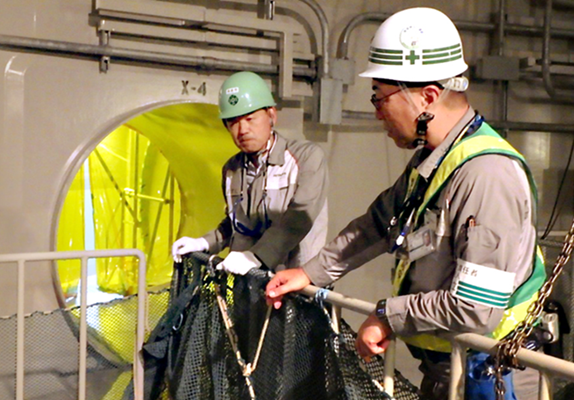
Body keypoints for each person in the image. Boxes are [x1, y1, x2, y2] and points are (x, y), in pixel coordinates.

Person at [265, 7, 546, 400]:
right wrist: (311, 273)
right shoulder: (434, 161)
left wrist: (388, 315)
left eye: (381, 97)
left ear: (427, 97)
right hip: (451, 369)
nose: (377, 111)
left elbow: (475, 308)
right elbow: (379, 224)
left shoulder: (487, 175)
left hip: (495, 377)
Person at [172, 70, 328, 276]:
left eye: (250, 118)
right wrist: (204, 242)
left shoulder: (306, 158)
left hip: (295, 284)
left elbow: (298, 220)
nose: (242, 129)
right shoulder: (232, 170)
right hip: (249, 284)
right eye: (233, 122)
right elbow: (236, 224)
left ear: (271, 115)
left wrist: (256, 256)